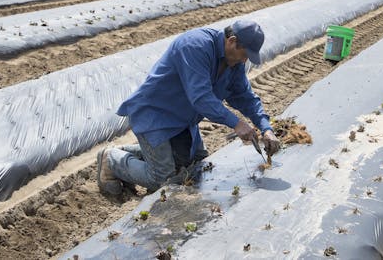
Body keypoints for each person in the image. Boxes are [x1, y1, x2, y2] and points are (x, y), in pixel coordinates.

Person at [97, 20, 281, 195]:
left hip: (183, 121)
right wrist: (237, 124)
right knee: (164, 179)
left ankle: (138, 153)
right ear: (232, 42)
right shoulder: (195, 46)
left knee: (195, 166)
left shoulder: (234, 64)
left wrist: (266, 128)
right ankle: (111, 159)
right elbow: (201, 98)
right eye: (245, 55)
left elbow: (245, 97)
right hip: (155, 116)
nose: (244, 61)